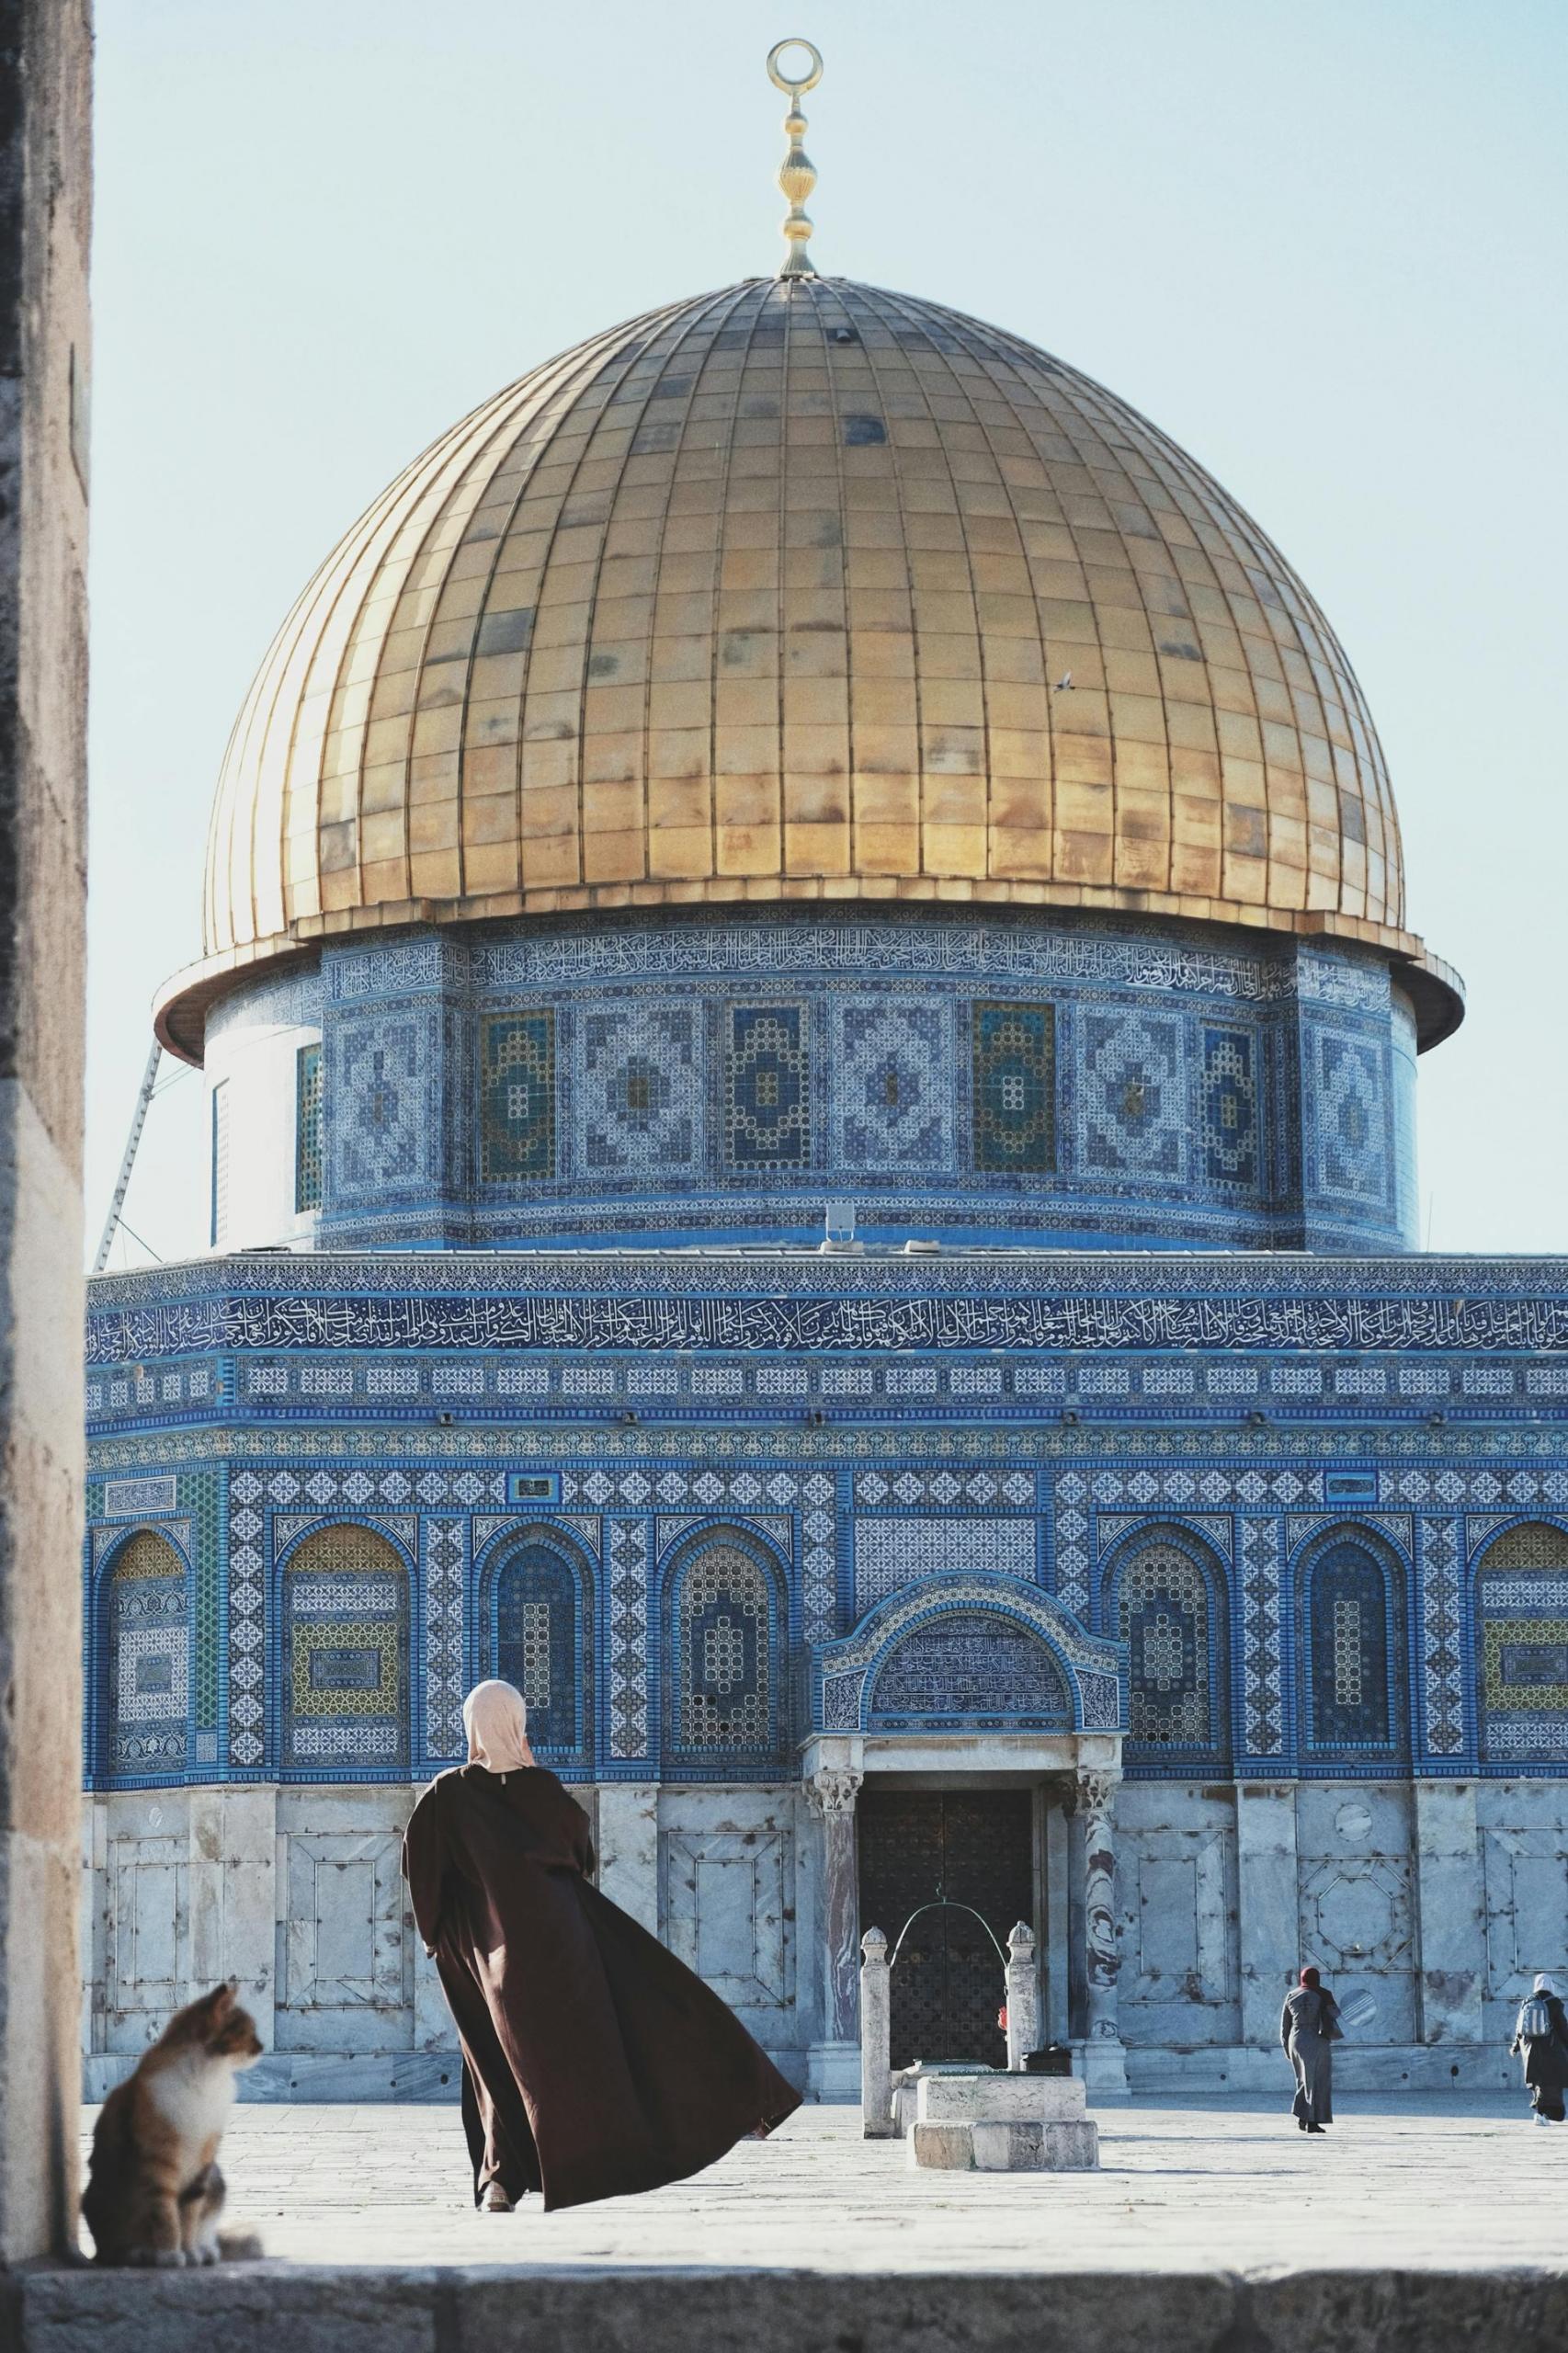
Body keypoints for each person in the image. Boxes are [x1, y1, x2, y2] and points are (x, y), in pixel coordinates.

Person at [402, 1679, 801, 2212]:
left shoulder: (446, 1794)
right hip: (566, 1941)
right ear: (518, 1724)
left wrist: (441, 1940)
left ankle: (501, 2180)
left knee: (497, 2056)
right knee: (630, 2025)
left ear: (471, 1723)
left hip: (489, 1951)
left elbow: (423, 1873)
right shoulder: (544, 1790)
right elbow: (581, 1855)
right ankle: (733, 2102)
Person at [1279, 1964, 1342, 2133]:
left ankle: (1302, 2116)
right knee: (1318, 2081)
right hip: (1317, 2039)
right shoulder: (1323, 1994)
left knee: (1303, 2080)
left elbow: (1285, 2027)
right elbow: (1335, 2014)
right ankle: (1313, 2122)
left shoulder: (1291, 1995)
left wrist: (1286, 2048)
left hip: (1297, 2040)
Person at [1509, 1973, 1568, 2125]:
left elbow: (1519, 2027)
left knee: (1538, 2081)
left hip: (1529, 2048)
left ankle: (1541, 2114)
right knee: (1552, 2082)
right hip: (1550, 2048)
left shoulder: (1527, 2001)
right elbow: (1562, 2027)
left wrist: (1515, 2046)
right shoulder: (1554, 2002)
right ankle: (1544, 2115)